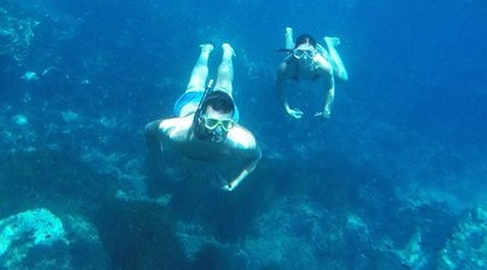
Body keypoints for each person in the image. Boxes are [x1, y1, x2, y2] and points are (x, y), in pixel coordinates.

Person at [144, 43, 261, 192]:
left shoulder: (242, 140)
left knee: (225, 86)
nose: (218, 130)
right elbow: (149, 130)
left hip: (210, 108)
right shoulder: (177, 130)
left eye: (226, 124)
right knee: (195, 84)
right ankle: (205, 51)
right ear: (200, 119)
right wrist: (163, 168)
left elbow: (256, 156)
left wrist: (233, 184)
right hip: (191, 104)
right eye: (212, 123)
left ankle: (227, 53)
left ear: (231, 122)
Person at [276, 27, 348, 120]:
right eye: (299, 53)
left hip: (317, 54)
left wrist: (327, 109)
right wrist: (286, 108)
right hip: (294, 60)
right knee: (288, 54)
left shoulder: (324, 67)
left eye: (309, 53)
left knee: (343, 77)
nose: (304, 58)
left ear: (315, 53)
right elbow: (280, 85)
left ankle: (330, 44)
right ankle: (289, 34)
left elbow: (330, 87)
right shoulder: (285, 68)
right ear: (295, 52)